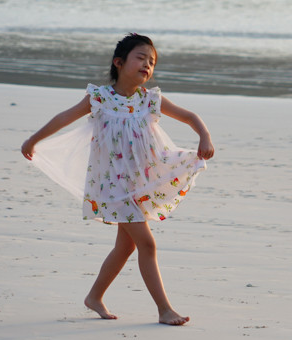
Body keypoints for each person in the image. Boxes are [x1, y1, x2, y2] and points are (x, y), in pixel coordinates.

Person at [21, 34, 214, 325]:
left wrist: (204, 135)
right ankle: (164, 309)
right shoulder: (100, 98)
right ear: (119, 62)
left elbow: (190, 116)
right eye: (141, 58)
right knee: (147, 244)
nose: (147, 65)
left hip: (141, 183)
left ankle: (94, 296)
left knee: (126, 246)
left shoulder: (150, 100)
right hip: (113, 186)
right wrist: (34, 140)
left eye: (152, 62)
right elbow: (64, 118)